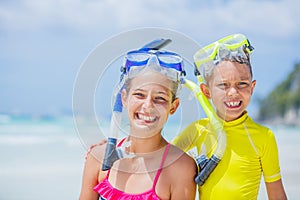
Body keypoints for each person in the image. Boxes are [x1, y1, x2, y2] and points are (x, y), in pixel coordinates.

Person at [172, 33, 287, 199]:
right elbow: (162, 161)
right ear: (206, 91)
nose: (233, 93)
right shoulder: (197, 130)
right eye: (223, 85)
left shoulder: (264, 137)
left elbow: (276, 194)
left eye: (242, 84)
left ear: (252, 87)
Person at [79, 47, 197, 199]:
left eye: (160, 98)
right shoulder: (98, 158)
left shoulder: (181, 168)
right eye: (139, 95)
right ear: (124, 99)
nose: (148, 106)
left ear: (173, 107)